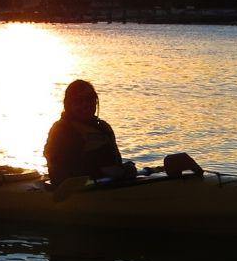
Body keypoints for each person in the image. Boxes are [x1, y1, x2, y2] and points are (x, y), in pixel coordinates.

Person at [43, 79, 201, 185]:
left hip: (110, 185)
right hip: (85, 189)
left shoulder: (103, 127)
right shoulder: (62, 131)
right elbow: (58, 172)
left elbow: (113, 163)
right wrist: (100, 172)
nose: (85, 104)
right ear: (68, 104)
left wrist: (123, 170)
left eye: (89, 99)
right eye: (78, 100)